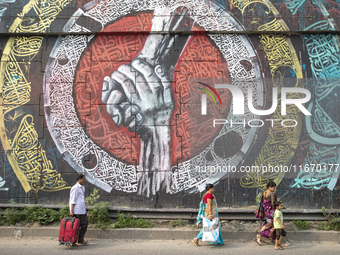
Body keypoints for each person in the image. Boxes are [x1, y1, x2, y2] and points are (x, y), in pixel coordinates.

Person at [69, 173, 88, 246]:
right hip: (77, 211)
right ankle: (72, 241)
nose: (84, 180)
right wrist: (71, 210)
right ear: (79, 179)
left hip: (82, 210)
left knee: (84, 224)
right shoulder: (75, 188)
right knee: (75, 227)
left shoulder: (82, 187)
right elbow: (72, 200)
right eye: (83, 179)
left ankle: (80, 239)